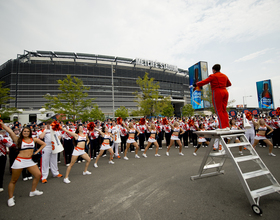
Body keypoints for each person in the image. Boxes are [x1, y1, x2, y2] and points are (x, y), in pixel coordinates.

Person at [0, 121, 46, 207]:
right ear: (22, 132)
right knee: (14, 180)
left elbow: (43, 144)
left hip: (29, 161)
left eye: (28, 131)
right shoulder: (18, 139)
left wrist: (36, 152)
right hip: (20, 161)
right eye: (24, 131)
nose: (26, 132)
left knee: (38, 174)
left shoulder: (34, 139)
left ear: (30, 132)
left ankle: (33, 191)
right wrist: (2, 125)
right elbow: (10, 131)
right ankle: (10, 198)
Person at [194, 64, 232, 129]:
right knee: (224, 110)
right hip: (225, 91)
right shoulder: (224, 76)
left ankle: (222, 127)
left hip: (217, 92)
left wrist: (196, 84)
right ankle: (226, 126)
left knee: (218, 110)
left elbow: (205, 81)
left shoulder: (213, 76)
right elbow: (229, 84)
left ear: (213, 70)